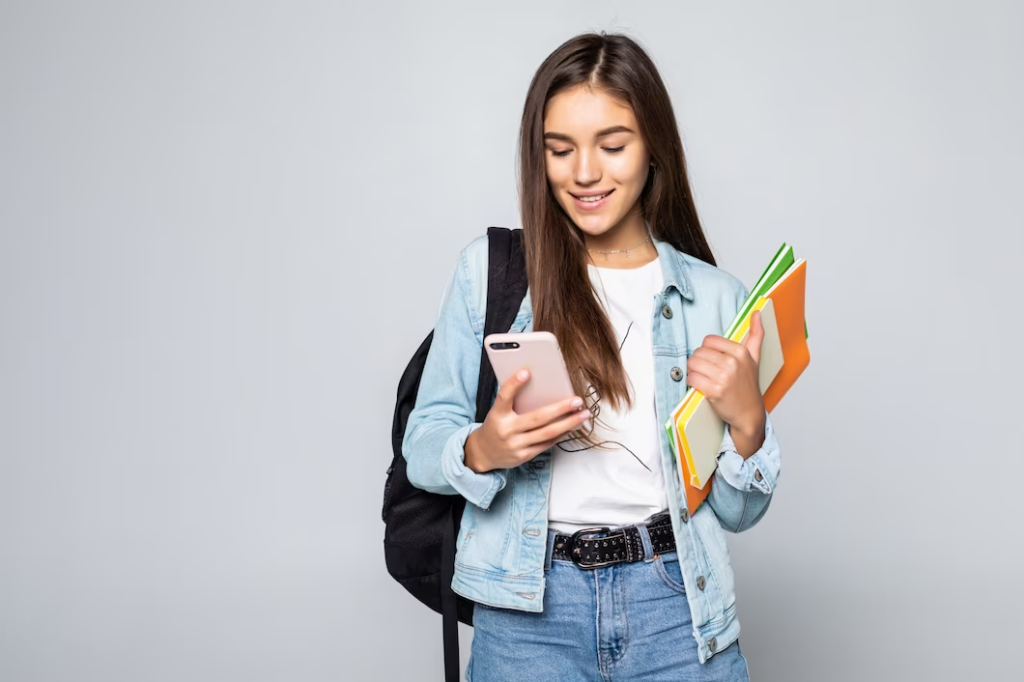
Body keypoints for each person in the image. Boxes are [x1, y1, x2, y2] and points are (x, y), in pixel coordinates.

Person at [403, 32, 781, 681]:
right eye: (560, 149)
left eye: (612, 146)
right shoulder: (492, 275)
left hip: (675, 607)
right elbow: (421, 445)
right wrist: (484, 450)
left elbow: (739, 513)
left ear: (652, 145)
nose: (584, 173)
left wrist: (749, 427)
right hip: (526, 616)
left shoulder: (716, 298)